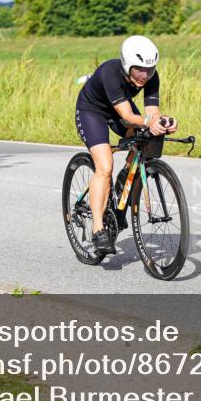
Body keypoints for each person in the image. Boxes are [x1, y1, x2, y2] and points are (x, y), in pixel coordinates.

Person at [75, 35, 178, 254]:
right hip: (92, 111)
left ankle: (124, 180)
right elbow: (128, 116)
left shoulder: (151, 77)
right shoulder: (110, 72)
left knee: (145, 138)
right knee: (104, 166)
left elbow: (151, 114)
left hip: (120, 109)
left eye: (149, 70)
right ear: (126, 64)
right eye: (138, 70)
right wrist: (149, 122)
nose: (144, 76)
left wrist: (163, 122)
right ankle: (98, 229)